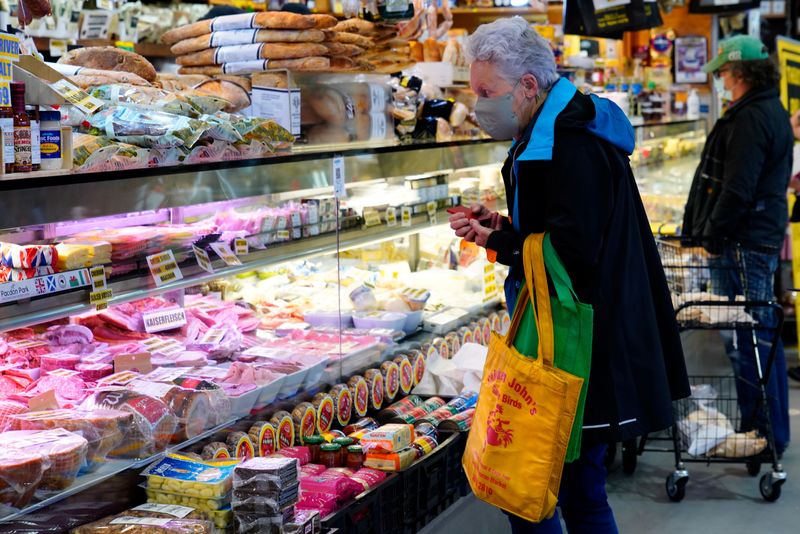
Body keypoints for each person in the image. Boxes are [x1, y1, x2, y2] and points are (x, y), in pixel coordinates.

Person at [449, 17, 690, 534]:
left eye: (486, 92)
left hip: (581, 344)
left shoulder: (570, 145)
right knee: (573, 489)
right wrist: (505, 227)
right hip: (578, 335)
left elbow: (574, 253)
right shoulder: (556, 129)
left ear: (529, 86)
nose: (478, 106)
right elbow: (566, 228)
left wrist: (502, 241)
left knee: (544, 490)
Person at [682, 35, 793, 455]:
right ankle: (767, 431)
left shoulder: (749, 118)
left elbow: (737, 189)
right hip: (757, 239)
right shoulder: (770, 110)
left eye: (725, 73)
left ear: (742, 72)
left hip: (743, 242)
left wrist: (709, 236)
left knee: (750, 341)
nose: (723, 82)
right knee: (760, 337)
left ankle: (761, 433)